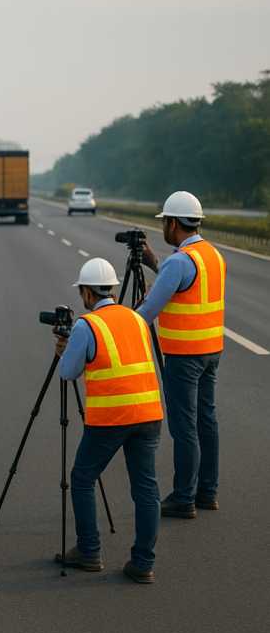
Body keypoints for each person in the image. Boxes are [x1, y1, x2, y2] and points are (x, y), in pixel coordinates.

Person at [55, 258, 162, 584]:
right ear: (112, 289)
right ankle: (143, 563)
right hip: (149, 412)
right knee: (146, 488)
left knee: (83, 477)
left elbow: (68, 372)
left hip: (112, 417)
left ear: (87, 292)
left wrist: (64, 350)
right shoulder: (137, 318)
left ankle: (90, 551)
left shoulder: (87, 325)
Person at [136, 191, 225, 519]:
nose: (164, 229)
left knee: (184, 427)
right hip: (211, 352)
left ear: (173, 223)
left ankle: (184, 497)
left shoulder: (178, 262)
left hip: (183, 356)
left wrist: (115, 321)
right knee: (207, 421)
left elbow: (147, 312)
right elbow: (184, 283)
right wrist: (153, 261)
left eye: (165, 223)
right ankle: (207, 492)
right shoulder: (213, 255)